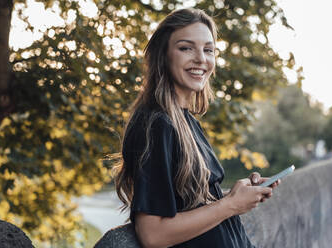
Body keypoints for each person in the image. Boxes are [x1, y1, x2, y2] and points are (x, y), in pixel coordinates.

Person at [114, 8, 280, 248]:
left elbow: (191, 205)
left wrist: (238, 195)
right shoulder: (155, 124)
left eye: (208, 50)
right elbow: (153, 234)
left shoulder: (186, 121)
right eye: (186, 48)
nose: (201, 59)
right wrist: (230, 205)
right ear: (163, 55)